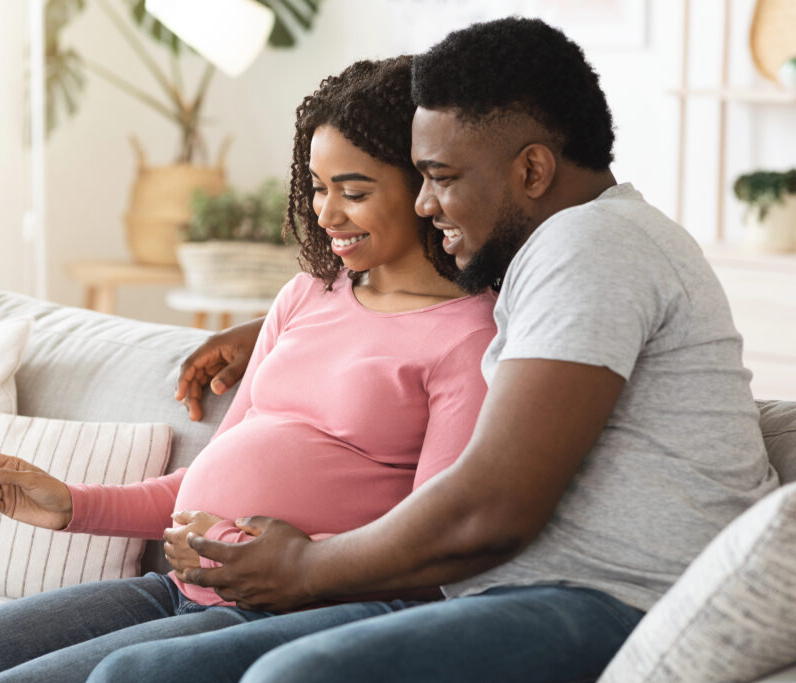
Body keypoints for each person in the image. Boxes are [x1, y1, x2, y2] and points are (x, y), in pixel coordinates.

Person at [94, 16, 779, 683]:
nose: (424, 204)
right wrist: (269, 330)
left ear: (533, 169)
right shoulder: (568, 249)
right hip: (538, 596)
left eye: (441, 176)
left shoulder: (590, 245)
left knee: (294, 674)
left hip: (609, 599)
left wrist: (303, 566)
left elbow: (492, 507)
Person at [0, 55, 498, 683]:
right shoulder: (308, 295)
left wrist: (230, 548)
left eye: (355, 191)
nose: (326, 213)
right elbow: (201, 487)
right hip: (182, 587)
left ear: (424, 184)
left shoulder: (466, 337)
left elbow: (429, 547)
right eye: (317, 186)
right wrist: (68, 503)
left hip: (295, 610)